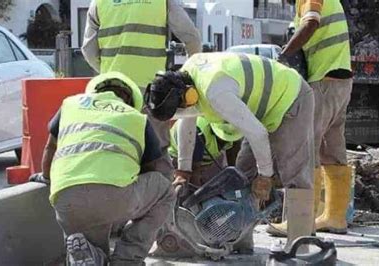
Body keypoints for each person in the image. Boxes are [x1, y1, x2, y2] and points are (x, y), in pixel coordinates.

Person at [144, 52, 315, 251]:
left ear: (187, 95)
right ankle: (241, 242)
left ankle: (300, 247)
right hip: (260, 112)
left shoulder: (215, 92)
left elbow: (257, 134)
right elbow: (187, 120)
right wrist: (183, 170)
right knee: (241, 177)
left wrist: (266, 176)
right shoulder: (186, 78)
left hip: (290, 97)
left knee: (294, 173)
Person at [31, 72, 175, 265]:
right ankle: (127, 259)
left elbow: (50, 147)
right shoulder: (137, 118)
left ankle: (89, 253)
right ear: (130, 100)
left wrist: (47, 178)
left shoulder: (70, 105)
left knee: (93, 250)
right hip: (115, 197)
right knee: (165, 190)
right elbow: (150, 170)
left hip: (65, 199)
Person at [82, 0, 202, 160]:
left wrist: (108, 72)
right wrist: (186, 74)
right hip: (153, 93)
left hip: (113, 91)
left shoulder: (99, 2)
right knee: (156, 153)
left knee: (115, 149)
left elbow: (88, 50)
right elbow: (192, 37)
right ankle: (160, 184)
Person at [273, 0, 354, 235]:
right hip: (340, 79)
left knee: (306, 148)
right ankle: (335, 217)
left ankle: (300, 221)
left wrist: (284, 54)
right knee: (332, 149)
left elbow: (310, 24)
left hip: (323, 79)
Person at [168, 117, 232, 186]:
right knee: (188, 189)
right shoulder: (198, 133)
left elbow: (232, 154)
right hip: (181, 159)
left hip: (207, 159)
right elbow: (194, 172)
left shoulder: (233, 128)